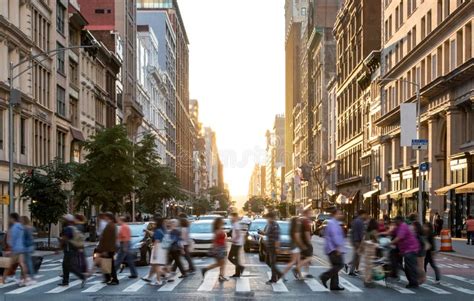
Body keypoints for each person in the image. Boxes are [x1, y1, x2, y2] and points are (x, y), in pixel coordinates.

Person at [319, 207, 345, 291]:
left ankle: (334, 285)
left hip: (331, 248)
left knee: (335, 266)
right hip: (333, 249)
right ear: (334, 214)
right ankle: (325, 276)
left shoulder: (334, 223)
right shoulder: (333, 223)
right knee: (339, 265)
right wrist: (338, 248)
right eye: (339, 213)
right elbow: (335, 236)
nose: (340, 215)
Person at [390, 216, 420, 288]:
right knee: (407, 266)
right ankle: (412, 281)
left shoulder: (403, 226)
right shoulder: (397, 227)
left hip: (411, 249)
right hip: (405, 250)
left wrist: (390, 243)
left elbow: (399, 237)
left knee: (410, 267)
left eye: (395, 221)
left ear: (400, 221)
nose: (394, 222)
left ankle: (414, 283)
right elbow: (391, 232)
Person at [58, 214, 87, 288]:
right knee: (65, 265)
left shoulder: (67, 228)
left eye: (64, 219)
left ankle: (82, 276)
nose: (63, 220)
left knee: (68, 266)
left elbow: (65, 239)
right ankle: (65, 281)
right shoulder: (73, 227)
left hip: (69, 249)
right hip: (73, 249)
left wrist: (59, 247)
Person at [143, 217, 170, 285]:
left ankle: (159, 280)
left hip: (158, 248)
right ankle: (150, 278)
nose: (153, 224)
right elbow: (155, 235)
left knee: (157, 265)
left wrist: (155, 253)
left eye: (155, 222)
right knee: (154, 264)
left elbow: (156, 241)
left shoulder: (158, 230)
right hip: (163, 248)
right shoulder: (163, 230)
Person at [202, 217, 228, 282]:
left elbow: (222, 239)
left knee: (221, 263)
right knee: (220, 263)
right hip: (219, 248)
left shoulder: (220, 229)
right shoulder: (217, 230)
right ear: (219, 222)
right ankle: (206, 269)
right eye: (222, 221)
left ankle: (221, 276)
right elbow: (215, 240)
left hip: (221, 248)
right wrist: (215, 249)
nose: (223, 222)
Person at [6, 213, 29, 286]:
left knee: (10, 263)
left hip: (16, 248)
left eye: (10, 218)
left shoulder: (14, 227)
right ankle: (24, 279)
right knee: (22, 264)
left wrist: (10, 247)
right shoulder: (21, 227)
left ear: (13, 219)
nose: (9, 220)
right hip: (22, 248)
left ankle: (5, 278)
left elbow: (12, 239)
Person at [96, 212, 119, 285]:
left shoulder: (110, 226)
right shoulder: (111, 225)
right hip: (109, 248)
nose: (104, 218)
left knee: (110, 265)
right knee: (107, 264)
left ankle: (114, 279)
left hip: (108, 248)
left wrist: (104, 250)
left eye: (106, 217)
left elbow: (108, 239)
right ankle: (108, 278)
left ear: (109, 218)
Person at [262, 212, 282, 284]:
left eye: (267, 218)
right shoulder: (269, 224)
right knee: (267, 261)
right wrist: (262, 232)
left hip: (273, 246)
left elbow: (277, 237)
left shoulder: (274, 225)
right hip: (269, 246)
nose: (266, 219)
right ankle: (279, 273)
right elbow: (268, 233)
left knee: (272, 263)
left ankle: (273, 279)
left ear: (271, 218)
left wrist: (277, 248)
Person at [348, 210, 368, 276]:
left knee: (356, 256)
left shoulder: (356, 221)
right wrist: (359, 243)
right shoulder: (359, 222)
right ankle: (351, 270)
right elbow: (359, 233)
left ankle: (351, 269)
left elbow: (352, 232)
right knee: (356, 256)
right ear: (362, 214)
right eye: (365, 214)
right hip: (358, 241)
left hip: (356, 241)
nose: (366, 216)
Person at [297, 208, 314, 278]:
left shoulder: (300, 220)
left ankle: (306, 273)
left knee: (304, 258)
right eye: (310, 213)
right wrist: (309, 242)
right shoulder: (306, 221)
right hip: (306, 242)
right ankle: (297, 268)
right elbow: (307, 232)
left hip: (301, 242)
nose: (311, 214)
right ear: (306, 213)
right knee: (309, 258)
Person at [363, 219, 379, 288]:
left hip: (366, 249)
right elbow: (376, 241)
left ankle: (366, 280)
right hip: (372, 249)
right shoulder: (374, 231)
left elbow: (363, 240)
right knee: (370, 266)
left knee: (367, 266)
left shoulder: (367, 231)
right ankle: (368, 281)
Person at [228, 212, 245, 278]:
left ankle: (241, 267)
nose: (231, 218)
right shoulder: (236, 223)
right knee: (237, 259)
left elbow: (238, 234)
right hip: (237, 243)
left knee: (230, 257)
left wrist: (233, 240)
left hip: (236, 243)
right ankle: (237, 273)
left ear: (235, 217)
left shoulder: (236, 224)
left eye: (232, 217)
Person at [20, 216, 37, 282]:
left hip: (26, 247)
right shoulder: (30, 228)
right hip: (30, 247)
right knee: (25, 262)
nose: (20, 221)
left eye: (21, 220)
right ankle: (24, 277)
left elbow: (26, 239)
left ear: (24, 220)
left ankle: (29, 277)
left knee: (25, 263)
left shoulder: (25, 228)